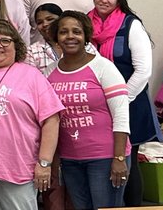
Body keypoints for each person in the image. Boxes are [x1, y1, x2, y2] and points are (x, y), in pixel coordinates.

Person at [0, 19, 63, 210]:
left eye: (5, 41)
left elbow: (51, 120)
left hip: (17, 167)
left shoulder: (31, 75)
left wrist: (44, 163)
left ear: (16, 45)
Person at [87, 0, 162, 207]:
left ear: (119, 0)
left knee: (128, 160)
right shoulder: (86, 24)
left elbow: (143, 70)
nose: (104, 0)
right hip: (97, 105)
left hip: (130, 101)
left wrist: (120, 99)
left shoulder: (131, 24)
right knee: (102, 159)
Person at [45, 11, 130, 209]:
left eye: (77, 31)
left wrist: (118, 158)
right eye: (64, 32)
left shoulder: (103, 67)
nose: (70, 36)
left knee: (106, 207)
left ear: (85, 36)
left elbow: (121, 115)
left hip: (106, 157)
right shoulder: (49, 71)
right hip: (71, 158)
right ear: (57, 37)